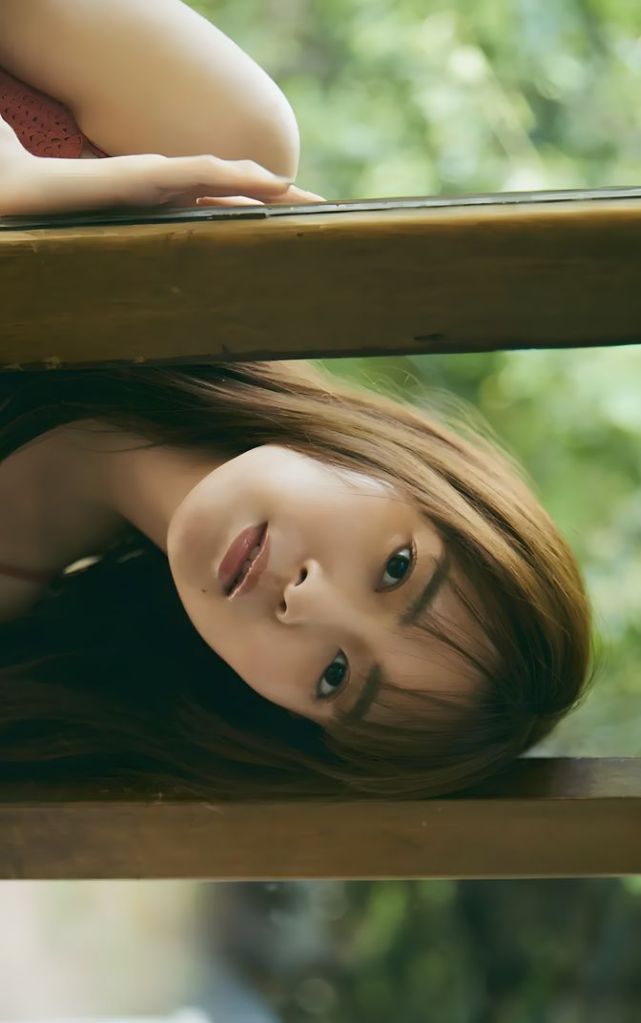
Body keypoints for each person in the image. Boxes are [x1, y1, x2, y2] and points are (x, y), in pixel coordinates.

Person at [0, 0, 594, 799]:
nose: (306, 599)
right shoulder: (218, 146)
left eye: (336, 676)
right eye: (395, 569)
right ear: (410, 471)